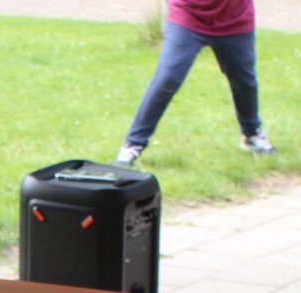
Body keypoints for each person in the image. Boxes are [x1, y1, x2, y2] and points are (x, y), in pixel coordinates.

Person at [114, 0, 274, 168]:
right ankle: (133, 145)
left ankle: (252, 134)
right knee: (167, 79)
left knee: (244, 81)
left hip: (235, 19)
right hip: (188, 15)